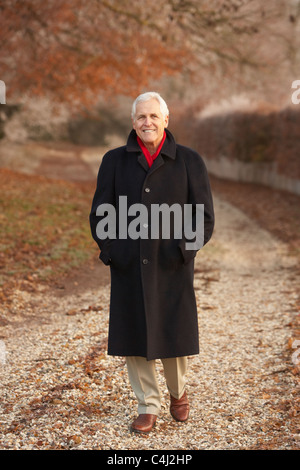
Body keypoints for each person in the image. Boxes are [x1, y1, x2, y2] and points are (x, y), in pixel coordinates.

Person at [89, 92, 214, 434]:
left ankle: (178, 392)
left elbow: (203, 217)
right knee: (136, 337)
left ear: (166, 121)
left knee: (173, 333)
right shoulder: (114, 161)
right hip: (130, 265)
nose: (147, 123)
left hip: (172, 265)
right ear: (133, 122)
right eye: (141, 117)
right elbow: (101, 212)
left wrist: (183, 251)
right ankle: (147, 405)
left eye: (154, 117)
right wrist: (113, 250)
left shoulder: (190, 161)